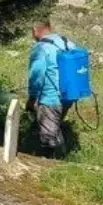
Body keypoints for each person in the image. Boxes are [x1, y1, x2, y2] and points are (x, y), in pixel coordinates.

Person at [27, 20, 72, 157]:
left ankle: (55, 166)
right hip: (69, 95)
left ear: (35, 30)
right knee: (55, 126)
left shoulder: (41, 48)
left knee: (49, 138)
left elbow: (36, 75)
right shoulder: (66, 42)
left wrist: (32, 98)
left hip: (50, 98)